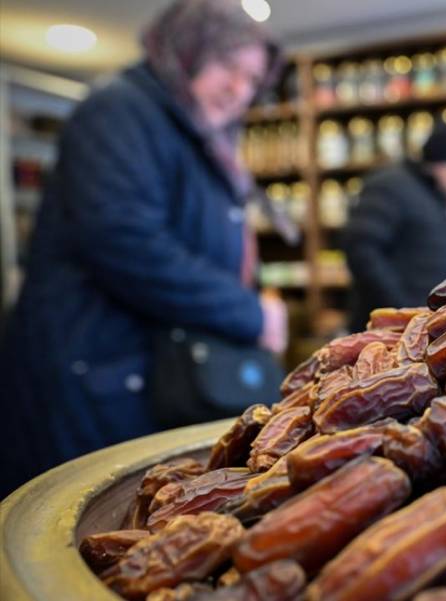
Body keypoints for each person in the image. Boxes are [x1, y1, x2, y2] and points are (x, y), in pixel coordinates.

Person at [0, 0, 288, 497]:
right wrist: (248, 313)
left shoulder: (190, 127)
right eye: (228, 66)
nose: (239, 89)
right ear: (188, 49)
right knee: (78, 516)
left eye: (252, 78)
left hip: (139, 373)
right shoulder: (120, 110)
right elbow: (122, 240)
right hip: (93, 376)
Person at [344, 123, 446, 331]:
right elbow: (361, 249)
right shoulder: (389, 187)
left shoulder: (437, 197)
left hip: (419, 329)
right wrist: (401, 308)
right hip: (385, 332)